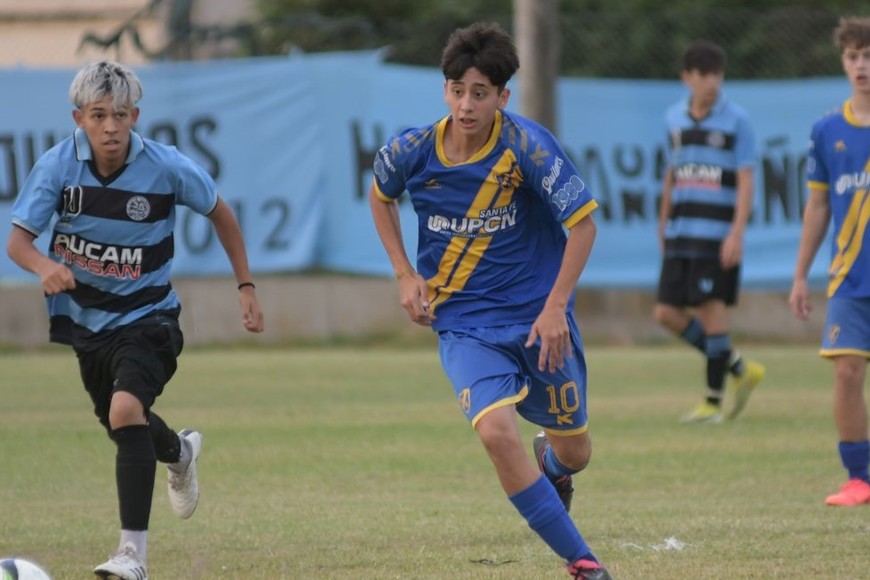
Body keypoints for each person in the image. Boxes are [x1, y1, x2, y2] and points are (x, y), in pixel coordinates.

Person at [368, 21, 612, 580]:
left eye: (480, 93)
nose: (466, 104)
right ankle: (584, 562)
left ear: (503, 97)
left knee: (576, 452)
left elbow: (584, 227)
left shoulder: (527, 146)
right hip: (464, 324)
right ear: (444, 88)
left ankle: (554, 467)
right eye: (457, 90)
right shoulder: (411, 150)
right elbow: (380, 196)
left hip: (536, 320)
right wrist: (405, 273)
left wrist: (555, 309)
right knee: (496, 433)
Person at [6, 61, 264, 579]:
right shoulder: (58, 168)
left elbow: (221, 212)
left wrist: (246, 287)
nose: (110, 127)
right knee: (123, 423)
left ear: (135, 116)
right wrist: (45, 267)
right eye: (98, 115)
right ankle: (179, 453)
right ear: (79, 118)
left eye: (120, 115)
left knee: (126, 410)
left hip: (151, 318)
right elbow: (17, 243)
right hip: (87, 324)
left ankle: (132, 556)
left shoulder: (166, 167)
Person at [653, 39, 765, 424]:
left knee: (711, 312)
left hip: (716, 236)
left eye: (717, 74)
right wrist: (663, 219)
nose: (712, 82)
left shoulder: (737, 121)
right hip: (681, 231)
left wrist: (736, 233)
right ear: (687, 78)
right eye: (703, 74)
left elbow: (747, 180)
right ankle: (737, 367)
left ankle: (713, 403)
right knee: (665, 311)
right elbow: (672, 173)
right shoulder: (673, 119)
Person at [789, 17, 870, 507]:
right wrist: (800, 273)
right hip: (850, 278)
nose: (862, 66)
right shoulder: (826, 130)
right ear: (843, 62)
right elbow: (817, 206)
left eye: (868, 55)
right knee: (846, 373)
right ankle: (858, 477)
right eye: (853, 57)